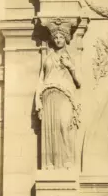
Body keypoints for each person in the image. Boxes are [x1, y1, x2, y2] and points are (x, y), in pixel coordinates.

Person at [35, 18, 81, 169]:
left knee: (63, 125)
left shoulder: (70, 58)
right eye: (55, 37)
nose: (58, 39)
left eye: (61, 37)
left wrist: (70, 67)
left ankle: (67, 160)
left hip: (64, 95)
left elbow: (79, 82)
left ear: (66, 39)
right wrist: (38, 102)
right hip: (48, 95)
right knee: (50, 129)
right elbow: (41, 80)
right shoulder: (48, 57)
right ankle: (50, 163)